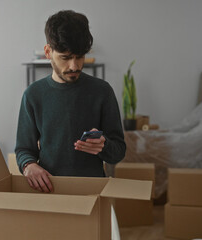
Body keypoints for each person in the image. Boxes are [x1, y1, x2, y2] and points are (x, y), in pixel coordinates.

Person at [15, 10, 126, 193]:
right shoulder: (33, 95)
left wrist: (103, 146)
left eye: (79, 57)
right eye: (65, 58)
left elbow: (118, 152)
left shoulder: (102, 91)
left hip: (93, 191)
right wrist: (28, 166)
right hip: (49, 192)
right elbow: (23, 149)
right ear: (48, 52)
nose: (74, 66)